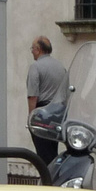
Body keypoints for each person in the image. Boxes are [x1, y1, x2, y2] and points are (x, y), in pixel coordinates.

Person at [25, 35, 68, 165]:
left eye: (32, 48)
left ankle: (47, 181)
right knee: (52, 151)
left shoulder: (36, 67)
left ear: (38, 49)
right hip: (58, 113)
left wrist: (31, 118)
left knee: (43, 155)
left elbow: (33, 95)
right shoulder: (60, 67)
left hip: (42, 114)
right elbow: (66, 91)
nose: (31, 51)